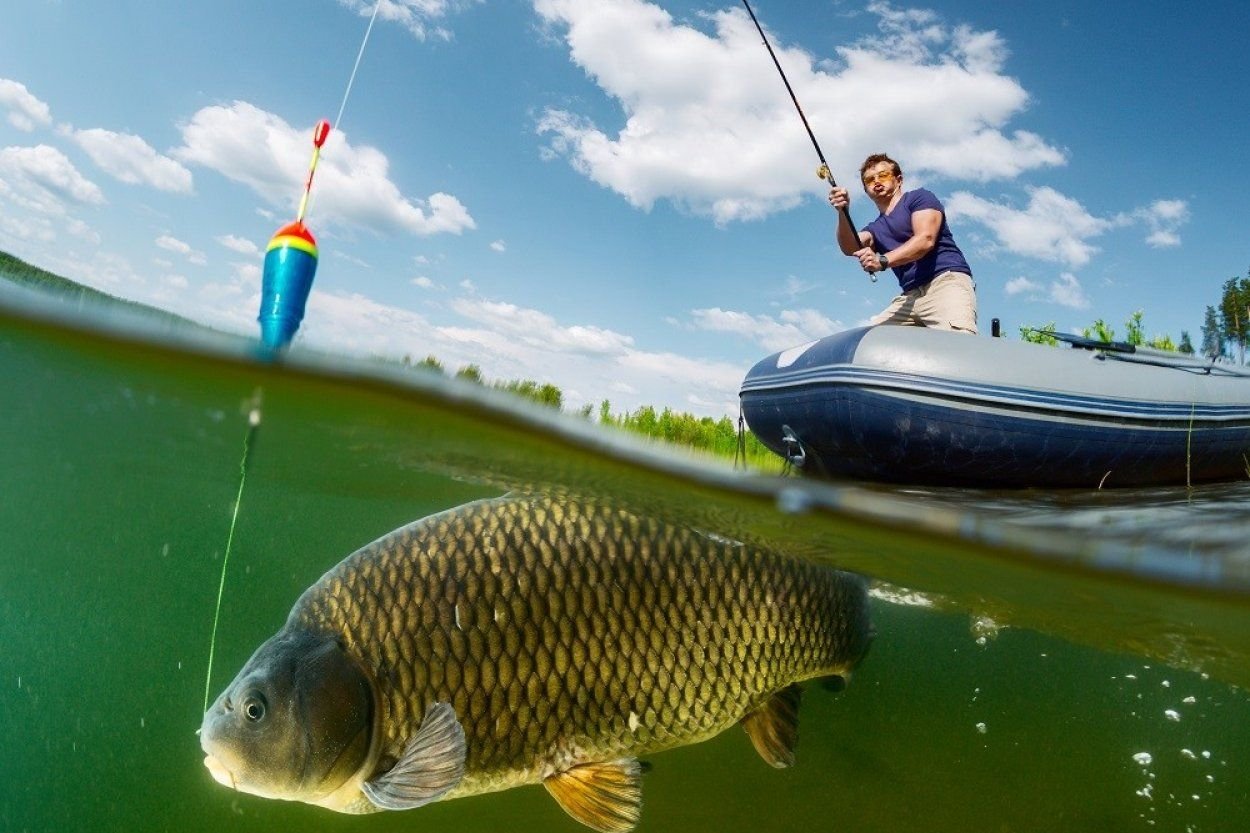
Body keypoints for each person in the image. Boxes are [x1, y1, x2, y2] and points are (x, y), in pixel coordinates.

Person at [829, 153, 978, 334]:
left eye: (883, 175)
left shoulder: (919, 198)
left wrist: (882, 261)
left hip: (944, 283)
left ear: (898, 179)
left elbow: (925, 240)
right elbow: (849, 247)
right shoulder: (875, 228)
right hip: (909, 296)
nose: (876, 181)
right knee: (868, 341)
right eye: (869, 180)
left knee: (959, 345)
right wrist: (843, 212)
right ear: (866, 190)